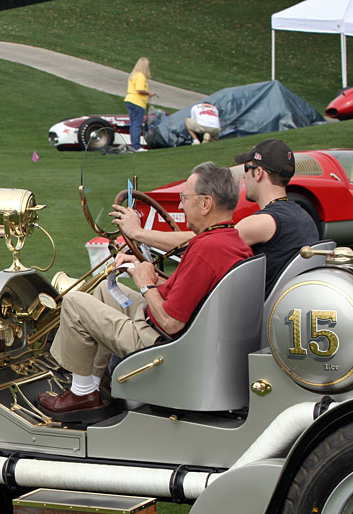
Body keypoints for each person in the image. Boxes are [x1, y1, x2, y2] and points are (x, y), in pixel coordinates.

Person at [38, 162, 252, 419]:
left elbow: (171, 322)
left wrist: (146, 282)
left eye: (185, 198)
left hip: (161, 344)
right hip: (182, 335)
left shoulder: (207, 249)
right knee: (104, 292)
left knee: (74, 301)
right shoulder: (231, 241)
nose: (181, 206)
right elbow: (189, 293)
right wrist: (141, 269)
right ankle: (93, 387)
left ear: (206, 204)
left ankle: (82, 392)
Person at [111, 139, 319, 295]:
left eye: (247, 168)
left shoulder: (266, 222)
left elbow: (205, 243)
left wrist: (137, 232)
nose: (245, 175)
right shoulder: (301, 215)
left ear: (259, 173)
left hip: (259, 316)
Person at [124, 58, 155, 153]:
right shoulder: (141, 76)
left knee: (133, 124)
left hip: (130, 99)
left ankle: (134, 144)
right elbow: (140, 90)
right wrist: (149, 93)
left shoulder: (133, 75)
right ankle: (136, 146)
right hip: (137, 102)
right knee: (137, 124)